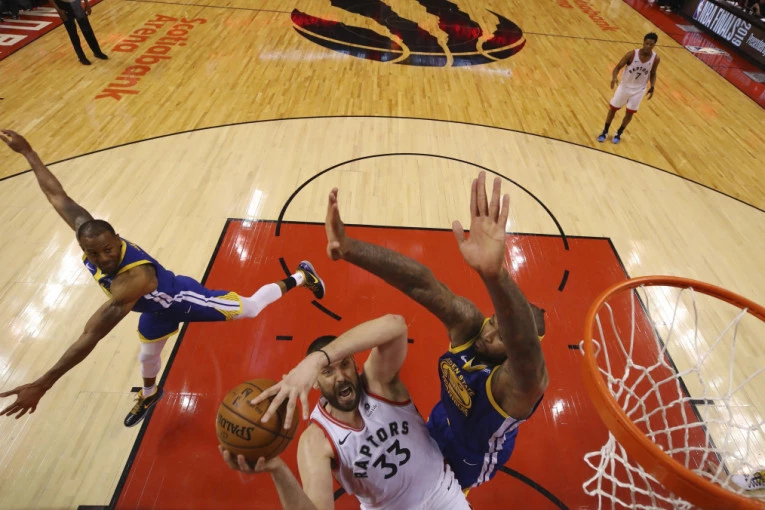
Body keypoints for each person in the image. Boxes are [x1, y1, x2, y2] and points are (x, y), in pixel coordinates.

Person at [0, 130, 326, 427]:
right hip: (155, 309)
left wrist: (44, 383)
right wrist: (29, 152)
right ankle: (150, 394)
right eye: (93, 253)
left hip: (181, 299)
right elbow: (57, 196)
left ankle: (301, 275)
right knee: (147, 356)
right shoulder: (89, 232)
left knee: (251, 308)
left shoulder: (133, 279)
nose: (103, 258)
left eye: (108, 250)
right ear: (83, 244)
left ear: (117, 239)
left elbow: (91, 335)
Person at [273, 171, 545, 493]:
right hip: (440, 420)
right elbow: (423, 284)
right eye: (493, 322)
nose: (488, 335)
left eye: (501, 338)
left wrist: (496, 277)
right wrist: (349, 248)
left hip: (468, 458)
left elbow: (526, 350)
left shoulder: (515, 388)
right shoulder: (473, 327)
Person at [221, 314, 471, 509]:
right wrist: (277, 469)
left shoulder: (379, 384)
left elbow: (396, 325)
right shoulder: (316, 440)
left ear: (355, 363)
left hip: (444, 495)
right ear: (315, 383)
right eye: (328, 372)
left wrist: (318, 360)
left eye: (344, 365)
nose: (340, 377)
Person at [597, 33, 661, 144]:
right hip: (624, 87)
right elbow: (617, 67)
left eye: (651, 44)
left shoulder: (656, 58)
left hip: (639, 90)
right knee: (613, 109)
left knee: (630, 113)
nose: (648, 46)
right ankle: (605, 131)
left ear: (654, 45)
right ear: (643, 42)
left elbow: (653, 73)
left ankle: (619, 133)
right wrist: (614, 78)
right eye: (647, 43)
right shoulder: (632, 54)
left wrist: (652, 86)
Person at [50, 0, 107, 65]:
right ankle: (81, 57)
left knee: (88, 30)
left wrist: (87, 3)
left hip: (76, 3)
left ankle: (97, 52)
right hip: (63, 5)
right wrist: (58, 10)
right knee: (73, 34)